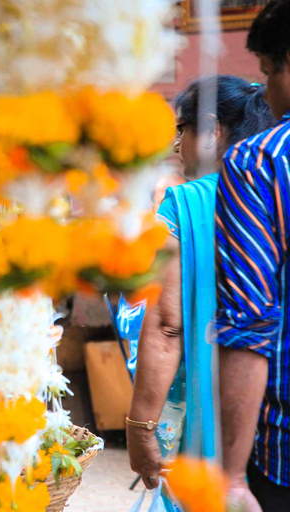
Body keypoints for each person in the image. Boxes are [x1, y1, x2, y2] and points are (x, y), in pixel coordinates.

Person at [127, 76, 274, 506]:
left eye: (181, 130)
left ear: (210, 130)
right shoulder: (276, 189)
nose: (177, 147)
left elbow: (167, 325)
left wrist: (139, 429)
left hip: (215, 412)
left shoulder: (182, 203)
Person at [214, 1, 290, 509]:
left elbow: (250, 320)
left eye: (270, 71)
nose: (266, 90)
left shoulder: (260, 160)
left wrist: (233, 476)